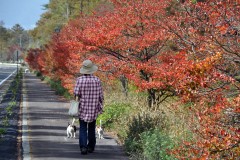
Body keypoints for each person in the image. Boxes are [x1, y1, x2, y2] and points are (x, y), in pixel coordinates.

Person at [74, 59, 104, 155]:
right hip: (94, 108)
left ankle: (83, 147)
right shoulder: (97, 80)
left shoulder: (79, 80)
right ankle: (91, 147)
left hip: (82, 107)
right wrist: (100, 104)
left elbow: (76, 93)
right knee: (91, 127)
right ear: (91, 69)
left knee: (83, 127)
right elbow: (101, 96)